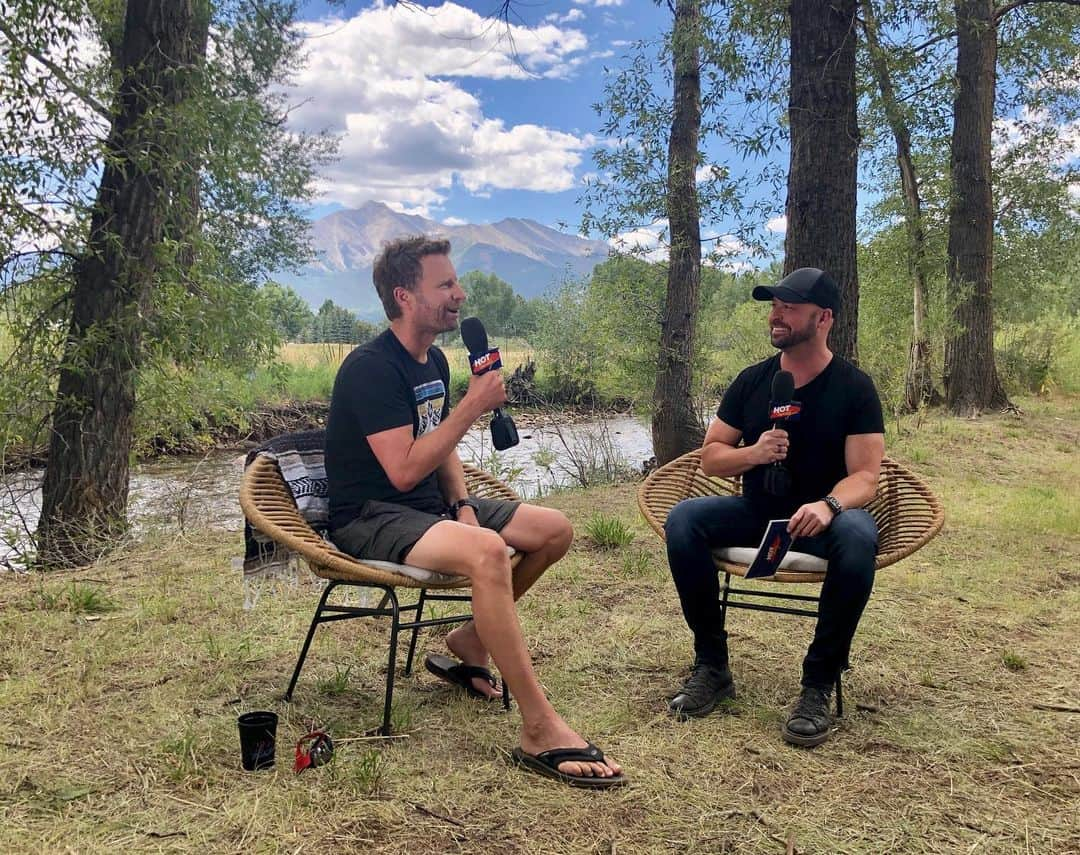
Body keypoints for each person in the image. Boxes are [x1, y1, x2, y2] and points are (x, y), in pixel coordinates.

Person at [325, 235, 624, 787]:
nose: (460, 294)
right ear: (405, 297)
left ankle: (469, 640)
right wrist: (471, 406)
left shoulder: (434, 358)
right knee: (488, 553)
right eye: (445, 284)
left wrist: (462, 504)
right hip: (371, 515)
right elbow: (403, 471)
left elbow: (442, 447)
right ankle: (539, 726)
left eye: (455, 282)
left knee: (554, 530)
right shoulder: (370, 369)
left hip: (429, 508)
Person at [664, 268, 885, 747]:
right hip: (758, 513)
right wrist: (754, 454)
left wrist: (829, 505)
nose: (776, 314)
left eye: (789, 305)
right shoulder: (752, 381)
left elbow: (865, 476)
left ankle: (818, 682)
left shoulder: (854, 387)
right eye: (774, 305)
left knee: (859, 536)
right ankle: (712, 666)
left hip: (824, 520)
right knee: (683, 520)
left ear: (824, 317)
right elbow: (712, 456)